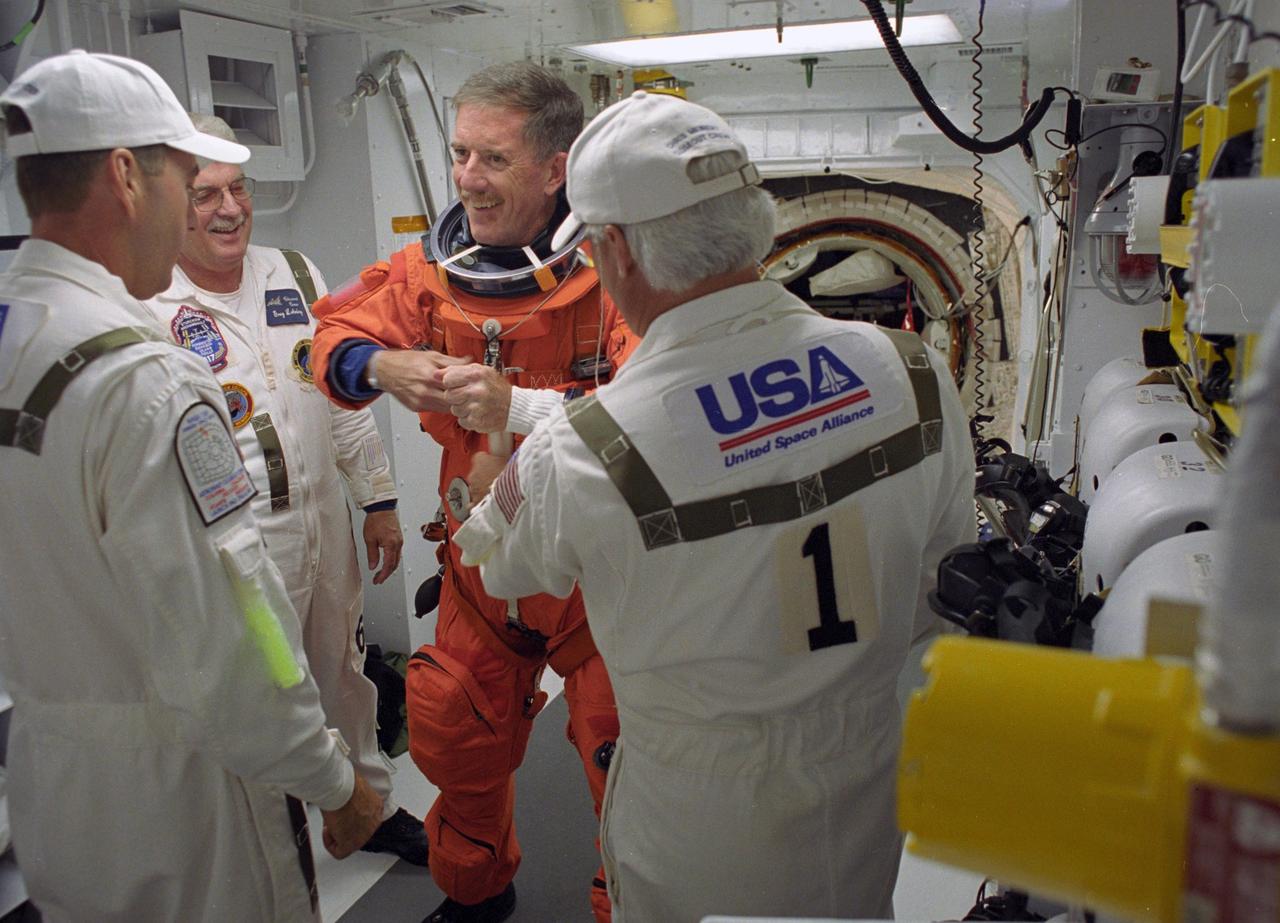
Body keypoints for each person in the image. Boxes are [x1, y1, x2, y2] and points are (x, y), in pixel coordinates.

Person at [454, 91, 977, 922]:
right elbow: (941, 570)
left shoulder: (589, 447)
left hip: (702, 822)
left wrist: (488, 484)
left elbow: (500, 565)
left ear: (618, 251)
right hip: (869, 779)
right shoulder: (914, 372)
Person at [0, 51, 383, 922]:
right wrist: (335, 780)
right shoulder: (147, 383)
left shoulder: (18, 335)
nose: (198, 211)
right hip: (183, 803)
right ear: (126, 175)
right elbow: (242, 636)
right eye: (184, 179)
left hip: (56, 788)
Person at [311, 61, 630, 923]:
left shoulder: (615, 270)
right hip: (481, 559)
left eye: (492, 158)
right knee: (456, 729)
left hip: (597, 571)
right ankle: (476, 894)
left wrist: (523, 406)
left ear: (556, 168)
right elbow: (329, 338)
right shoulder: (428, 271)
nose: (467, 177)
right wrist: (380, 364)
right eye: (459, 154)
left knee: (626, 754)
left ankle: (632, 906)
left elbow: (656, 403)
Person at [140, 113, 428, 866]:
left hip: (323, 521)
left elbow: (338, 396)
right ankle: (280, 840)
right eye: (205, 194)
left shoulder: (293, 273)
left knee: (344, 673)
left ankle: (372, 806)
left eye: (238, 189)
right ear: (171, 203)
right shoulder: (149, 303)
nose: (229, 208)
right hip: (240, 546)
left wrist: (379, 500)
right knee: (266, 688)